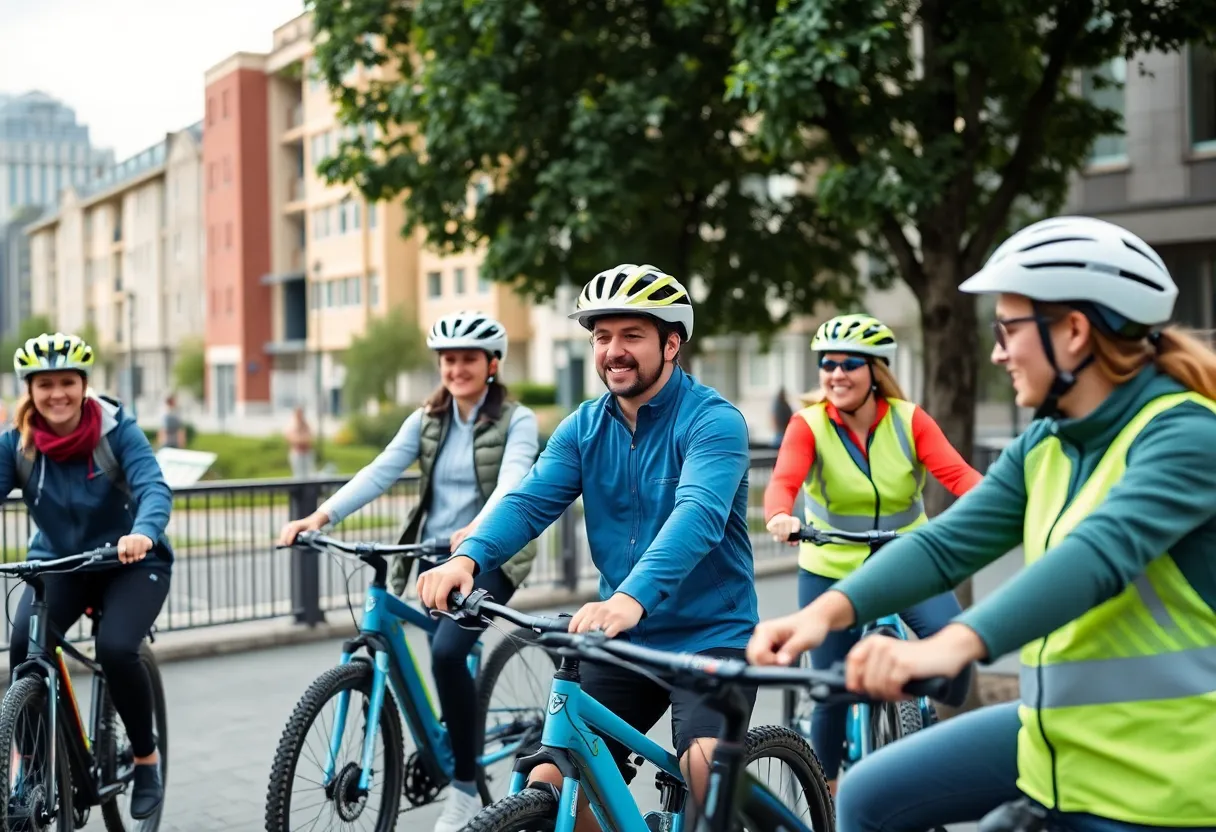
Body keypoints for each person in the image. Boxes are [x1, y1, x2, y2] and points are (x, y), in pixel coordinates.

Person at [747, 216, 1216, 832]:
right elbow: (946, 544)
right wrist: (821, 615)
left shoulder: (1185, 434)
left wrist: (952, 642)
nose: (996, 351)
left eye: (1008, 329)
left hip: (1164, 773)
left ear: (1073, 332)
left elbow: (1099, 556)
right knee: (865, 796)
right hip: (1058, 735)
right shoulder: (1049, 439)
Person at [417, 263, 758, 832]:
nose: (613, 351)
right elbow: (528, 503)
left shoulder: (713, 422)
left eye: (632, 336)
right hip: (623, 640)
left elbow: (697, 516)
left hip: (710, 637)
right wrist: (468, 557)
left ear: (671, 343)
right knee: (551, 786)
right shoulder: (584, 426)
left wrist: (631, 598)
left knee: (704, 777)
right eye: (602, 337)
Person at [277, 310, 539, 832]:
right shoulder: (427, 419)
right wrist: (319, 516)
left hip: (491, 555)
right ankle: (443, 725)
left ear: (492, 364)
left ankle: (464, 787)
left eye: (468, 358)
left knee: (445, 653)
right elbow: (380, 471)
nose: (457, 368)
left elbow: (514, 482)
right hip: (429, 554)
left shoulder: (517, 419)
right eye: (448, 359)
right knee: (418, 639)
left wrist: (481, 531)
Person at [763, 312, 982, 794]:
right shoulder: (809, 425)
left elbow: (960, 476)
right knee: (830, 693)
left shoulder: (910, 420)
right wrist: (781, 514)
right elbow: (783, 481)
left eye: (849, 363)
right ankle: (830, 795)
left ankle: (905, 698)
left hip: (909, 561)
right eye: (827, 363)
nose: (836, 373)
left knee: (957, 661)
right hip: (830, 568)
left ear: (876, 372)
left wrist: (993, 504)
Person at [0, 332, 173, 819]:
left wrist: (143, 531)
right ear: (29, 391)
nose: (57, 394)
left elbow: (153, 487)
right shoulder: (18, 444)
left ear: (84, 385)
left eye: (67, 383)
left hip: (131, 563)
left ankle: (145, 759)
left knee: (117, 649)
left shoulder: (115, 432)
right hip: (60, 564)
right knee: (24, 645)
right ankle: (35, 766)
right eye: (45, 384)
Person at [284, 406, 315, 479]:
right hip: (297, 453)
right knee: (298, 475)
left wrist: (302, 439)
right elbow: (291, 438)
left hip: (307, 453)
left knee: (309, 474)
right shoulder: (292, 425)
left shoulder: (306, 425)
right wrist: (301, 439)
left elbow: (310, 437)